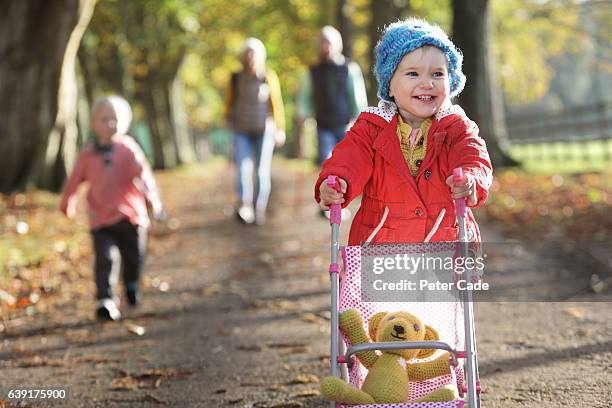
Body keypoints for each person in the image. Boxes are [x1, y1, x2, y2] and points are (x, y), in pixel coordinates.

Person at [315, 18, 493, 245]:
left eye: (437, 74)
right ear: (390, 84)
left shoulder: (456, 127)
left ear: (451, 80)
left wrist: (471, 179)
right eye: (413, 74)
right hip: (382, 247)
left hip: (445, 245)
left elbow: (474, 156)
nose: (427, 83)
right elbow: (349, 158)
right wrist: (337, 182)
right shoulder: (372, 128)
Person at [60, 96, 163, 321]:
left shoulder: (129, 149)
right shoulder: (87, 154)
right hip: (101, 219)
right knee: (105, 258)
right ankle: (105, 299)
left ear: (125, 123)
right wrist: (67, 201)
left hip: (131, 217)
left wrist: (153, 200)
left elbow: (144, 175)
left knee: (133, 258)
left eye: (115, 119)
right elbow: (75, 179)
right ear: (93, 123)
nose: (110, 124)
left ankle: (132, 284)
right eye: (104, 119)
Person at [225, 37, 286, 225]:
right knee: (242, 169)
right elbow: (229, 102)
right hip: (241, 129)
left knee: (261, 171)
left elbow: (276, 104)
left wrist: (280, 128)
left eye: (253, 53)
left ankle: (259, 208)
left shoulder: (268, 76)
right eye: (247, 53)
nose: (249, 57)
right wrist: (226, 118)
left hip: (264, 130)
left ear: (260, 56)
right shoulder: (235, 78)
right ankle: (245, 206)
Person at [296, 25, 368, 165]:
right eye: (323, 42)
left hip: (346, 125)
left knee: (346, 164)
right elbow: (305, 96)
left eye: (329, 42)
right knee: (327, 164)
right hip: (323, 126)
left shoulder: (349, 68)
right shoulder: (312, 71)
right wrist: (303, 115)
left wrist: (359, 121)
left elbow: (358, 97)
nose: (326, 46)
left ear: (337, 44)